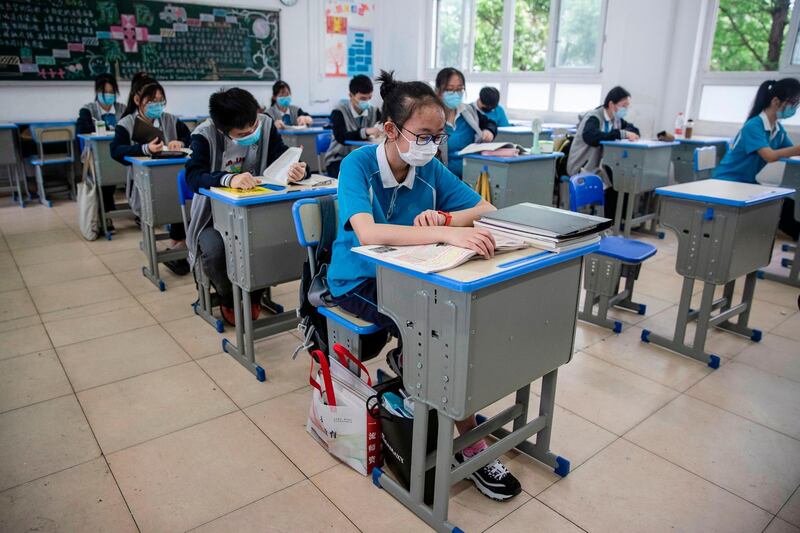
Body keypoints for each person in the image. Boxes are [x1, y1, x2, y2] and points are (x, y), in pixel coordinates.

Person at [327, 70, 522, 502]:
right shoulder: (356, 165)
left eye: (439, 135)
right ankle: (467, 438)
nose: (433, 144)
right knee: (434, 334)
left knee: (463, 322)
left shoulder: (430, 168)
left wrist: (445, 220)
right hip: (356, 279)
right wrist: (444, 235)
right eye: (424, 134)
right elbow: (366, 233)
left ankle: (440, 392)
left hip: (415, 275)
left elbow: (485, 208)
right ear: (392, 130)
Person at [185, 88, 307, 326]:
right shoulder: (204, 134)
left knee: (266, 242)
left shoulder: (265, 125)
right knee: (215, 251)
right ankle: (228, 297)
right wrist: (228, 179)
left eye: (253, 127)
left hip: (256, 213)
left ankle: (254, 293)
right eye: (243, 133)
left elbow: (283, 158)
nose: (252, 133)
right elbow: (193, 177)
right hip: (213, 217)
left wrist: (299, 170)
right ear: (222, 129)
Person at [111, 79, 191, 275]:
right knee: (157, 211)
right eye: (152, 101)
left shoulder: (171, 120)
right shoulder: (126, 123)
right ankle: (172, 250)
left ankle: (178, 247)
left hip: (174, 180)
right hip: (144, 184)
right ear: (138, 100)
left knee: (179, 207)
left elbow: (191, 140)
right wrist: (144, 148)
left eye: (161, 100)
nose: (157, 105)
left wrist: (179, 142)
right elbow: (116, 151)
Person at [714, 78, 800, 241]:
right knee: (783, 210)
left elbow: (791, 153)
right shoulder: (754, 125)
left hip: (747, 183)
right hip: (728, 182)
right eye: (793, 103)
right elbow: (769, 155)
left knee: (788, 206)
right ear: (776, 101)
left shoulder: (777, 129)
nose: (795, 108)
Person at [567, 86, 640, 219]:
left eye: (627, 106)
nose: (625, 110)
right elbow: (592, 137)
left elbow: (632, 129)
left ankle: (616, 220)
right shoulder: (594, 117)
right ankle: (609, 221)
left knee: (622, 179)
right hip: (582, 165)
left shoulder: (615, 120)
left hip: (600, 166)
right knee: (613, 184)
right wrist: (622, 133)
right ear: (612, 104)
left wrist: (629, 132)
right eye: (623, 106)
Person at [76, 73, 126, 219]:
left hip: (119, 154)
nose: (109, 96)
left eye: (112, 92)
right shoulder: (88, 109)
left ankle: (138, 213)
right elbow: (81, 130)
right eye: (105, 92)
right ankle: (107, 215)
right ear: (97, 92)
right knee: (106, 178)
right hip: (99, 157)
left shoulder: (122, 109)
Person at [435, 68, 497, 178]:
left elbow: (489, 123)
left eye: (460, 89)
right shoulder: (432, 117)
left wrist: (489, 131)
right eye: (450, 90)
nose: (455, 94)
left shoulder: (468, 110)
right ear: (438, 91)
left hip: (472, 176)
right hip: (444, 179)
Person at [322, 74, 382, 178]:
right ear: (351, 95)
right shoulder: (339, 112)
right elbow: (342, 137)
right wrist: (366, 131)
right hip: (339, 159)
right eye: (363, 98)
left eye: (369, 98)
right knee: (355, 177)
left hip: (365, 159)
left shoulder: (374, 111)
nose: (367, 102)